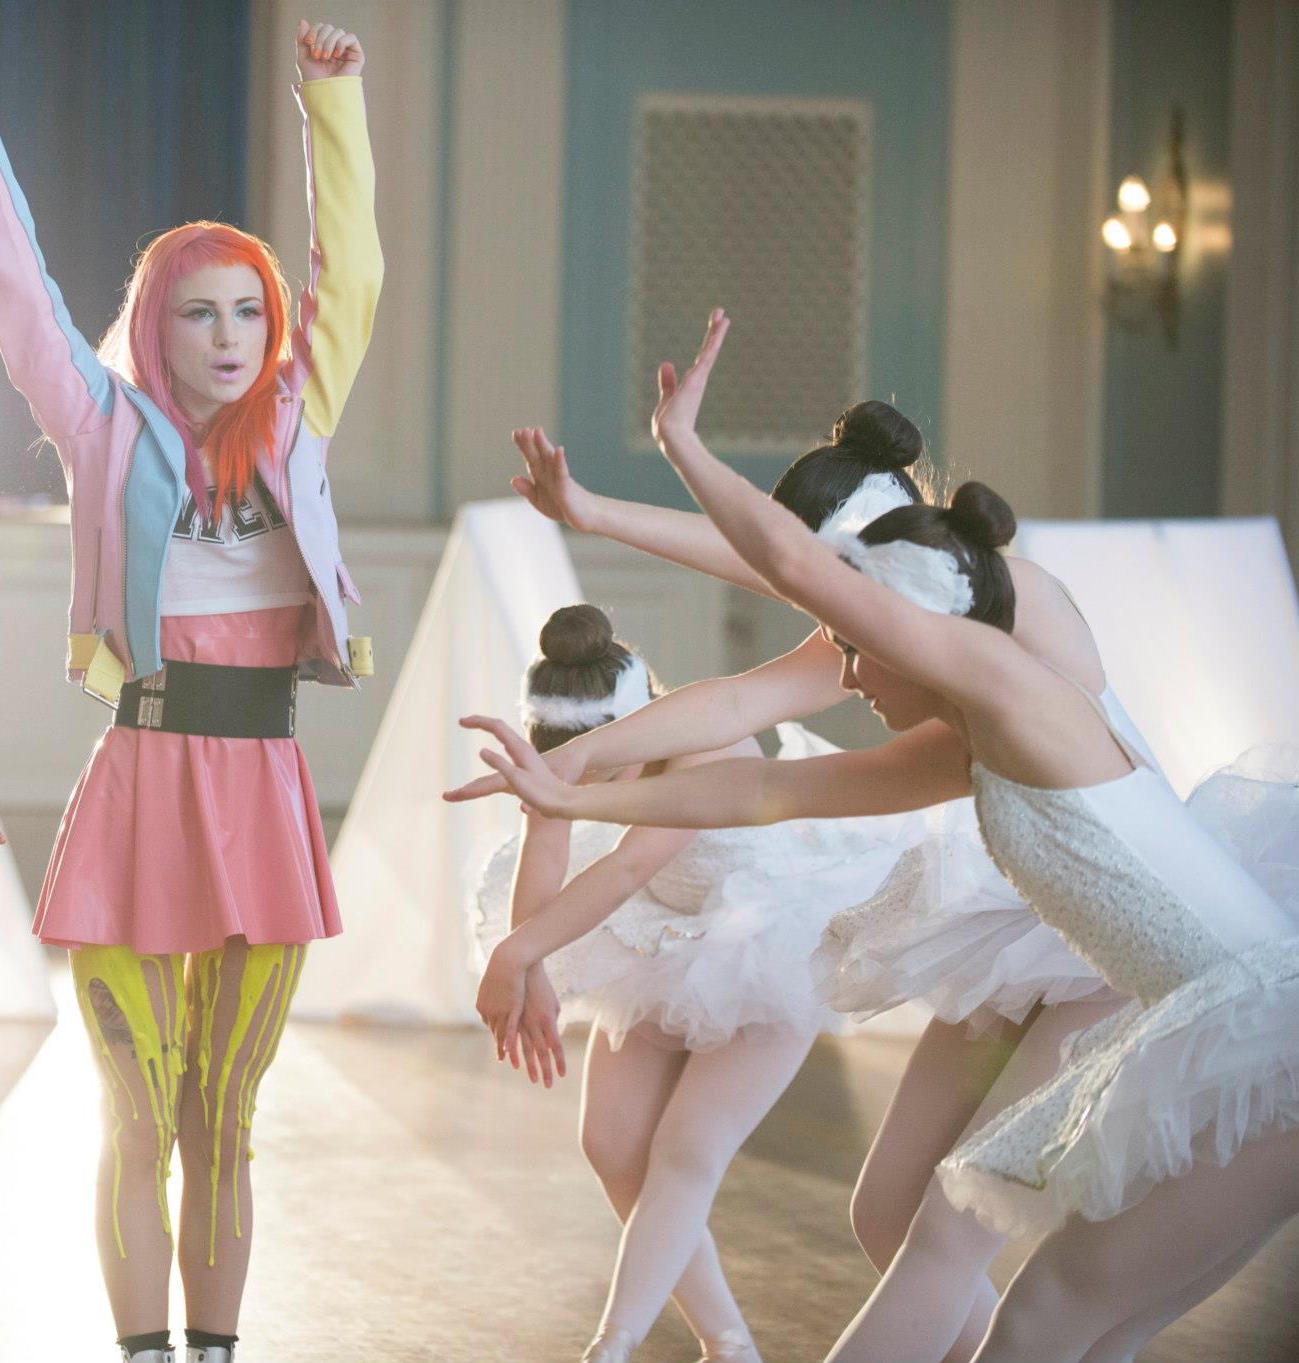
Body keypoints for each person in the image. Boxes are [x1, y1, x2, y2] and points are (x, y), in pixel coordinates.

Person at [462, 309, 1299, 1363]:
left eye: (853, 640)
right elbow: (765, 789)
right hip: (1169, 992)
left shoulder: (1009, 669)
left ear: (891, 605)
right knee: (931, 1239)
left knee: (1028, 1303)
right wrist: (567, 785)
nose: (839, 669)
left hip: (1227, 1018)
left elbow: (789, 571)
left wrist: (681, 449)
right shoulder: (962, 730)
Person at [0, 20, 381, 1363]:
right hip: (140, 789)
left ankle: (214, 1349)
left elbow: (355, 271)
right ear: (155, 324)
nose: (229, 336)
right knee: (138, 1114)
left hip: (265, 792)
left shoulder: (298, 418)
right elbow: (17, 282)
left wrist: (330, 98)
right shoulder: (99, 423)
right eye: (198, 311)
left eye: (249, 311)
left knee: (224, 1117)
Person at [471, 605, 916, 1363]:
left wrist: (512, 956)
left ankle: (613, 1343)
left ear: (634, 727)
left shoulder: (706, 746)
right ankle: (729, 1344)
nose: (588, 781)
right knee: (610, 1142)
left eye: (602, 766)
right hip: (662, 938)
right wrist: (531, 963)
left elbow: (628, 865)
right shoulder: (569, 755)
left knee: (688, 1149)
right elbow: (544, 854)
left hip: (767, 941)